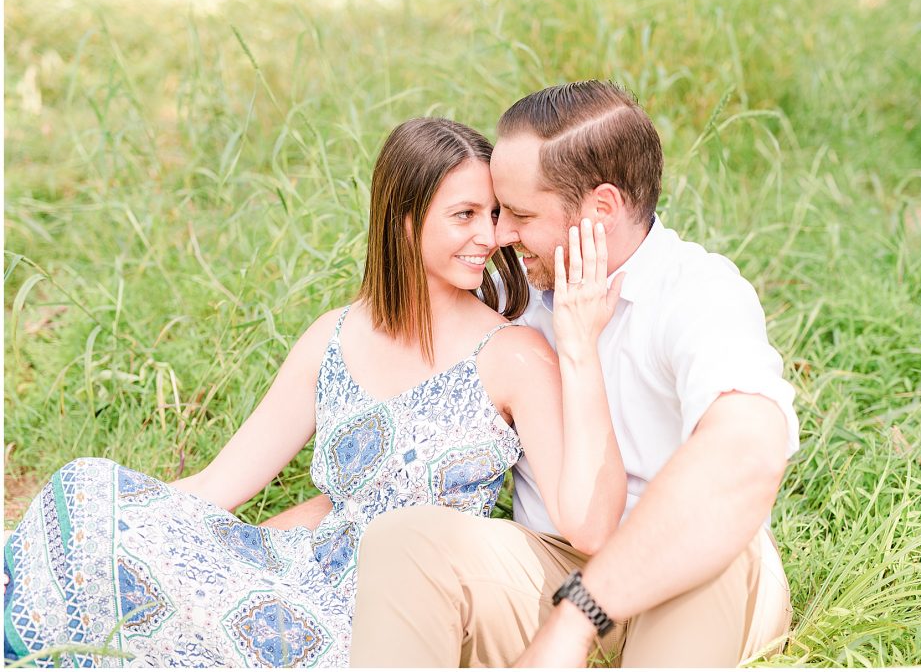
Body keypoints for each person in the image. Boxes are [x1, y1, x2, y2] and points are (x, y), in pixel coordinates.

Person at [2, 117, 626, 667]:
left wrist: (579, 344)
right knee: (86, 490)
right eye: (463, 215)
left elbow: (584, 527)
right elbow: (219, 488)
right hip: (295, 567)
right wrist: (121, 527)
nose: (489, 237)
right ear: (404, 223)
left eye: (492, 215)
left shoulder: (514, 355)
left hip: (388, 612)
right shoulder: (335, 336)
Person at [316, 81, 798, 667]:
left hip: (694, 563)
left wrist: (579, 616)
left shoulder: (698, 295)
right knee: (403, 540)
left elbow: (745, 454)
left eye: (517, 213)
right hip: (552, 559)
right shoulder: (515, 290)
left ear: (600, 209)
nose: (500, 236)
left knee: (726, 549)